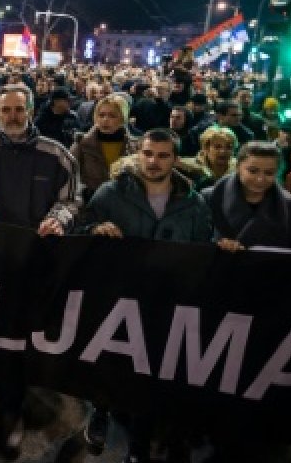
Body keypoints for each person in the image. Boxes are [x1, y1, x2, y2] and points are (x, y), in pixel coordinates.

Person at [77, 128, 212, 459]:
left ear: (176, 159)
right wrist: (95, 230)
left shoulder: (193, 204)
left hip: (164, 303)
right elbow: (80, 233)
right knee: (108, 360)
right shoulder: (110, 194)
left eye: (163, 155)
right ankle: (101, 410)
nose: (154, 162)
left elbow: (203, 251)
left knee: (148, 372)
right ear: (138, 153)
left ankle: (138, 446)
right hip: (117, 297)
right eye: (148, 154)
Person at [0, 83, 81, 454]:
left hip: (36, 261)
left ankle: (13, 407)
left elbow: (72, 199)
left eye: (19, 110)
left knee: (20, 333)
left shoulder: (57, 154)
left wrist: (58, 218)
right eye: (6, 110)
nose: (12, 117)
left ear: (31, 110)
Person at [202, 141, 291, 252]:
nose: (260, 179)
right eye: (253, 171)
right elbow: (196, 246)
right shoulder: (209, 198)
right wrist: (217, 246)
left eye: (269, 173)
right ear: (238, 167)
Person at [70, 94, 139, 201]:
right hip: (91, 203)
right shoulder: (82, 143)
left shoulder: (135, 146)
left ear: (123, 118)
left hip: (124, 204)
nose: (105, 120)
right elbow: (70, 176)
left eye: (112, 116)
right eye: (101, 115)